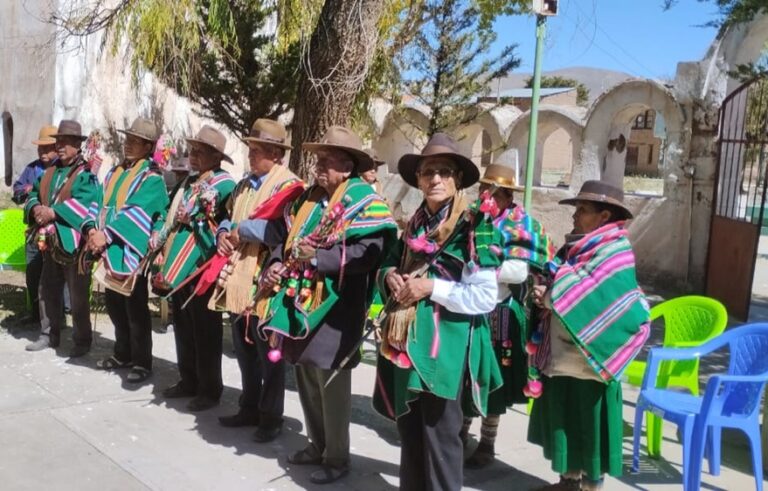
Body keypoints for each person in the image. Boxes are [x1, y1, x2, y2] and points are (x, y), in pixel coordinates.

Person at [259, 126, 397, 485]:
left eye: (327, 160)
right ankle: (316, 445)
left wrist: (322, 257)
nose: (318, 166)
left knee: (331, 380)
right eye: (318, 159)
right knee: (304, 371)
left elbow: (371, 254)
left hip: (338, 309)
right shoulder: (307, 201)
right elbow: (282, 239)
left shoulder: (364, 202)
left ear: (347, 167)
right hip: (300, 300)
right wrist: (275, 262)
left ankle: (336, 458)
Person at [372, 133, 503, 491]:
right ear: (417, 179)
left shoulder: (475, 226)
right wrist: (392, 278)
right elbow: (390, 264)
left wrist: (430, 287)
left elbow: (485, 297)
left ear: (457, 179)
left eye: (445, 172)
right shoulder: (415, 224)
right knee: (410, 431)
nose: (436, 179)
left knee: (441, 436)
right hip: (408, 342)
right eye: (428, 172)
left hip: (446, 349)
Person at [527, 180, 651, 491]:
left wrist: (553, 293)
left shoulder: (616, 251)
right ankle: (568, 482)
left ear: (604, 216)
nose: (575, 216)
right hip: (563, 356)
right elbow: (566, 281)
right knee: (565, 421)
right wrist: (548, 289)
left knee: (591, 429)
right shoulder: (576, 247)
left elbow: (599, 294)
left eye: (582, 210)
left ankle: (592, 486)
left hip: (593, 361)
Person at [461, 163, 555, 468]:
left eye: (489, 191)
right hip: (472, 306)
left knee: (495, 378)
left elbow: (518, 271)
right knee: (466, 372)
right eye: (481, 190)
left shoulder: (520, 226)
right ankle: (459, 431)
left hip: (502, 314)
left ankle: (487, 443)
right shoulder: (474, 220)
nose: (483, 195)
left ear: (505, 195)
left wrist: (486, 268)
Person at [213, 119, 302, 443]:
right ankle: (248, 406)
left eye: (258, 151)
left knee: (269, 352)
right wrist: (224, 232)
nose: (251, 156)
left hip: (267, 277)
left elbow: (284, 231)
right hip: (239, 275)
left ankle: (271, 416)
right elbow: (226, 214)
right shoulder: (244, 185)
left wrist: (243, 231)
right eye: (251, 150)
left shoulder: (290, 188)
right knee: (242, 347)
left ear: (276, 154)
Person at [154, 125, 236, 411]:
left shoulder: (225, 185)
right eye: (193, 150)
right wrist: (162, 249)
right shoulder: (186, 184)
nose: (194, 156)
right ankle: (188, 379)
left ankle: (209, 388)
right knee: (183, 325)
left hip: (202, 266)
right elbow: (170, 218)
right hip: (178, 266)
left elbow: (225, 222)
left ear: (216, 156)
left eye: (200, 152)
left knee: (205, 329)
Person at [86, 117, 169, 383]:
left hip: (131, 249)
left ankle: (142, 361)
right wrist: (92, 230)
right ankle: (122, 354)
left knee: (135, 308)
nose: (129, 145)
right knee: (114, 306)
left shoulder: (152, 178)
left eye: (136, 142)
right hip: (109, 246)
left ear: (148, 147)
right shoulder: (116, 172)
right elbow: (101, 201)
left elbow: (139, 211)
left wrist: (106, 234)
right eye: (128, 140)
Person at [24, 120, 100, 357]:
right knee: (46, 289)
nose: (60, 146)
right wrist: (36, 208)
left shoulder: (85, 173)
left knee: (77, 295)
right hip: (50, 244)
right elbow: (33, 193)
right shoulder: (49, 171)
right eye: (58, 141)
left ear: (78, 145)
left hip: (74, 245)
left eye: (66, 142)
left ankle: (82, 340)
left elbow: (87, 202)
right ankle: (49, 334)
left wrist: (53, 212)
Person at [12, 125, 58, 324]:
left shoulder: (61, 170)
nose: (42, 152)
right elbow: (17, 190)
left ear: (57, 148)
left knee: (54, 277)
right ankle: (35, 314)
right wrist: (27, 190)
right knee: (33, 273)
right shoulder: (32, 168)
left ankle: (57, 316)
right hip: (33, 232)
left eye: (47, 148)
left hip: (54, 233)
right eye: (40, 148)